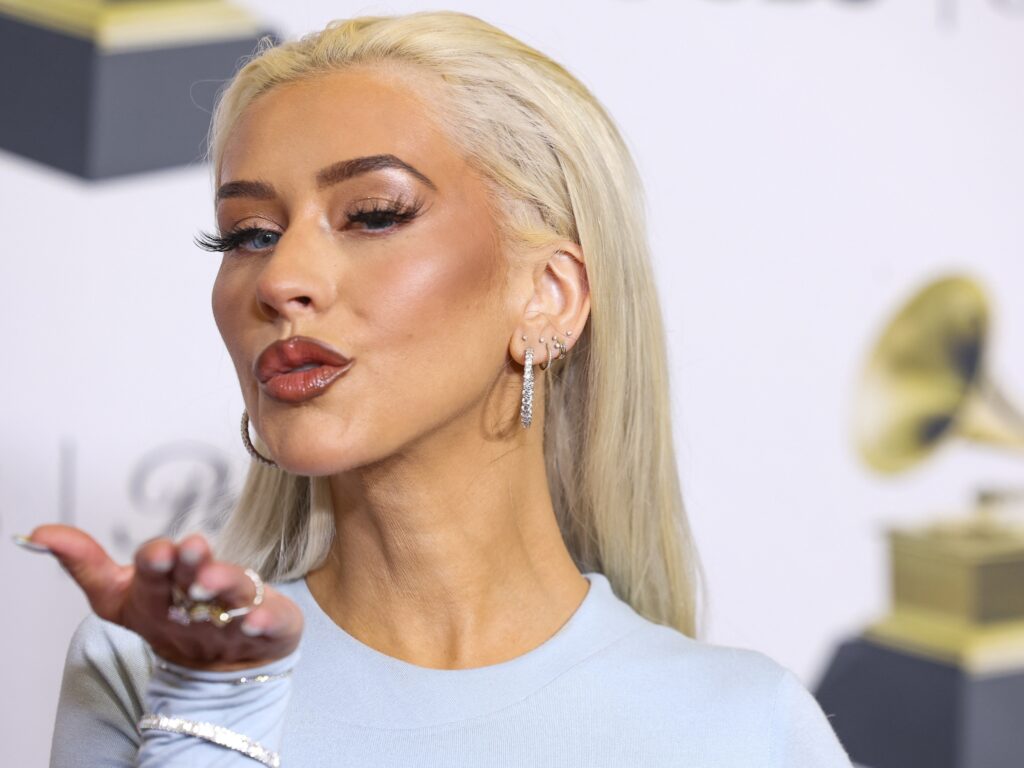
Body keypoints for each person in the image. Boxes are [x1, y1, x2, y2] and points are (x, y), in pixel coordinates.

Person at [14, 10, 853, 767]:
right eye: (250, 234)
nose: (281, 279)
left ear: (548, 296)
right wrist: (210, 717)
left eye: (374, 214)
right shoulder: (145, 670)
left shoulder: (746, 728)